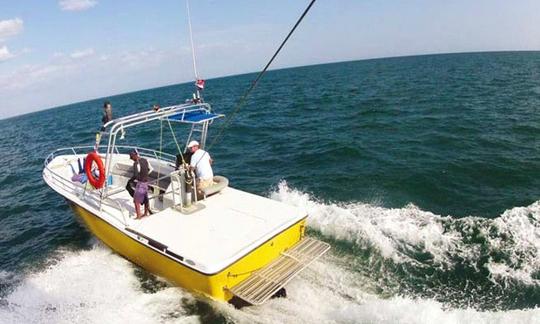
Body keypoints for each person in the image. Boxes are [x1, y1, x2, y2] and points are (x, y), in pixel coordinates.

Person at [127, 149, 153, 219]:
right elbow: (151, 169)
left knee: (136, 201)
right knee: (145, 199)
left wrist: (131, 180)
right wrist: (145, 175)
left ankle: (138, 216)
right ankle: (145, 213)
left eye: (132, 157)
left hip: (140, 184)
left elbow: (135, 175)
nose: (132, 159)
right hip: (146, 183)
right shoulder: (145, 160)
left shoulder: (136, 163)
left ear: (135, 156)